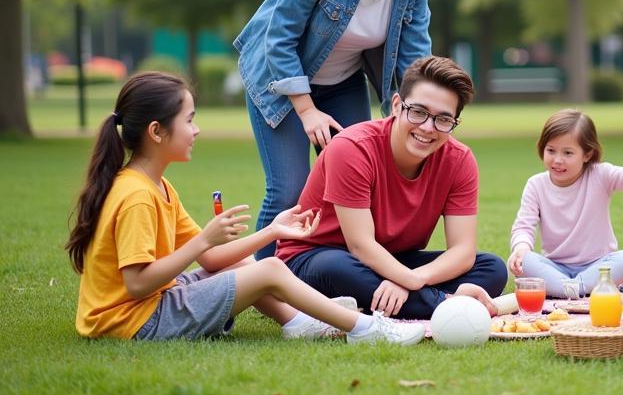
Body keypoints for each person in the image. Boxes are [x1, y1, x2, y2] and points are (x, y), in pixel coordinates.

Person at [66, 72, 424, 345]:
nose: (197, 129)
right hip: (133, 323)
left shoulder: (155, 185)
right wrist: (203, 240)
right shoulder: (137, 196)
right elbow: (138, 284)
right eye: (189, 120)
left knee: (249, 263)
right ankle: (368, 329)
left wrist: (272, 231)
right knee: (269, 270)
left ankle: (298, 322)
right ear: (157, 132)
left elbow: (213, 259)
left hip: (145, 308)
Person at [235, 0, 440, 257]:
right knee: (290, 188)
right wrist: (307, 109)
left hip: (343, 83)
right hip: (280, 80)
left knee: (358, 181)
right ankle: (257, 284)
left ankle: (331, 275)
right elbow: (278, 37)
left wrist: (425, 113)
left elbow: (415, 57)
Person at [279, 56, 509, 319]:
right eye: (419, 112)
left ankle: (380, 302)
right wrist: (411, 280)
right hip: (317, 258)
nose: (427, 128)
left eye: (443, 119)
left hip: (391, 259)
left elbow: (462, 251)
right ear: (397, 105)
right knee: (339, 267)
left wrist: (411, 278)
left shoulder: (459, 160)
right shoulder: (351, 148)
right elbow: (360, 245)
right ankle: (450, 305)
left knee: (491, 268)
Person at [508, 109, 623, 297]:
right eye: (551, 150)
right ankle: (582, 288)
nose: (558, 160)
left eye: (568, 153)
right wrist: (521, 248)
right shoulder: (536, 184)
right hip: (555, 267)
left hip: (598, 265)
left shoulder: (600, 174)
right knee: (523, 261)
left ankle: (568, 289)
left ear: (587, 154)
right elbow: (524, 226)